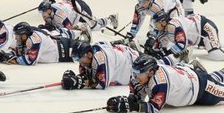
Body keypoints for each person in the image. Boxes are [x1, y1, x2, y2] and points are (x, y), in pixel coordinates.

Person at [106, 54, 224, 113]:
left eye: (138, 73)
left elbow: (154, 108)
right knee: (211, 79)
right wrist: (130, 100)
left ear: (150, 73)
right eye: (134, 72)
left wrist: (133, 107)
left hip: (200, 89)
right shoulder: (140, 78)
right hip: (188, 76)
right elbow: (137, 96)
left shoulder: (161, 83)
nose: (135, 77)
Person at [63, 41, 214, 91]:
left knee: (158, 68)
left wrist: (80, 83)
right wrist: (79, 78)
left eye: (80, 58)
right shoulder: (89, 57)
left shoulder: (100, 59)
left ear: (89, 54)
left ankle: (187, 66)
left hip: (130, 61)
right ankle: (177, 58)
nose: (79, 62)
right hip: (123, 55)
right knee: (159, 64)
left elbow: (102, 84)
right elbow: (86, 75)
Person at [150, 11, 224, 62]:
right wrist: (156, 50)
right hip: (198, 37)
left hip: (205, 28)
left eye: (157, 23)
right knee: (218, 46)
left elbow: (182, 44)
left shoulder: (173, 26)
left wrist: (168, 52)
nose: (155, 26)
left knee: (215, 54)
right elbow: (158, 46)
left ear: (163, 22)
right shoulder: (163, 29)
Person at [0, 22, 72, 65]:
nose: (15, 37)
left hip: (67, 51)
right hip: (61, 48)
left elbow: (30, 61)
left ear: (24, 35)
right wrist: (4, 54)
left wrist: (7, 59)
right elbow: (21, 52)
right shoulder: (23, 38)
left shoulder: (35, 40)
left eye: (17, 35)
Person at [38, 0, 116, 43]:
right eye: (41, 12)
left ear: (49, 10)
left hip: (81, 8)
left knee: (94, 26)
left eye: (44, 12)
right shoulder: (49, 12)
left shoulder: (59, 15)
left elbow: (69, 28)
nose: (43, 15)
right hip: (73, 10)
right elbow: (51, 24)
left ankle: (110, 19)